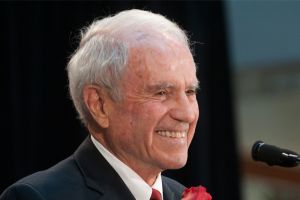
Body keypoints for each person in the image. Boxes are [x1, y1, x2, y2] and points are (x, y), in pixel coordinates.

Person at [0, 9, 199, 200]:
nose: (187, 114)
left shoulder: (181, 195)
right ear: (99, 105)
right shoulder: (38, 196)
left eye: (190, 91)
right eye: (161, 93)